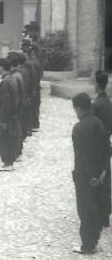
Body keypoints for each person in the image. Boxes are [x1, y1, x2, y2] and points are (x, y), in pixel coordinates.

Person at [71, 93, 108, 254]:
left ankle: (87, 245)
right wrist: (103, 172)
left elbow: (80, 156)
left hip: (85, 176)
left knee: (84, 209)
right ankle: (94, 240)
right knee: (96, 207)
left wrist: (89, 176)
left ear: (79, 108)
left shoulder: (78, 128)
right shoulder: (98, 123)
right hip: (99, 174)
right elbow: (106, 148)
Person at [92, 71, 112, 228]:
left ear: (97, 85)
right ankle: (105, 214)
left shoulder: (96, 105)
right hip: (106, 144)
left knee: (98, 179)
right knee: (107, 179)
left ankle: (100, 214)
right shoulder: (108, 102)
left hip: (98, 145)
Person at [0, 58, 18, 172]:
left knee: (2, 139)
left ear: (2, 67)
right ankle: (8, 162)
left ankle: (7, 162)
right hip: (11, 116)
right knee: (8, 138)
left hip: (6, 118)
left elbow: (5, 102)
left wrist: (3, 119)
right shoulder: (12, 79)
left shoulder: (5, 82)